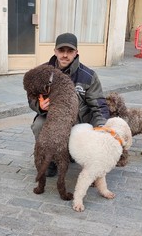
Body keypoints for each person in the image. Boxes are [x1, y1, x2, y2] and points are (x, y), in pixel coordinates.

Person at [29, 32, 110, 177]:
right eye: (61, 51)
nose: (65, 55)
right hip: (51, 118)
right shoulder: (42, 72)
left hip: (78, 120)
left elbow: (99, 105)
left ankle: (73, 153)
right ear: (55, 51)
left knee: (86, 132)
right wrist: (39, 106)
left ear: (76, 52)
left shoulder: (88, 75)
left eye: (70, 51)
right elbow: (31, 97)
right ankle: (50, 159)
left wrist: (102, 127)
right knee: (38, 125)